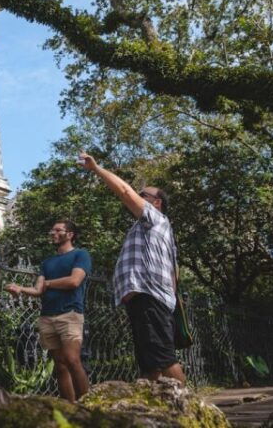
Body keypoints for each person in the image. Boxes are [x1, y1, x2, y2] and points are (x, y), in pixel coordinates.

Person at [78, 152, 185, 385]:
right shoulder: (152, 230)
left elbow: (125, 192)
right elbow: (173, 271)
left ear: (156, 203)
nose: (138, 196)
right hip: (146, 300)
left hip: (151, 298)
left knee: (164, 360)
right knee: (150, 365)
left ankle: (193, 411)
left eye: (143, 195)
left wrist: (97, 170)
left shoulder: (155, 219)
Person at [4, 220, 92, 402]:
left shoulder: (80, 255)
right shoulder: (47, 262)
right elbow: (38, 290)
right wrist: (20, 289)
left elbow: (74, 281)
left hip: (70, 314)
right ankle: (70, 409)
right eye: (52, 230)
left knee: (72, 360)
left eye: (58, 230)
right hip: (47, 316)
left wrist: (49, 283)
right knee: (60, 366)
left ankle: (89, 407)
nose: (53, 233)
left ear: (70, 234)